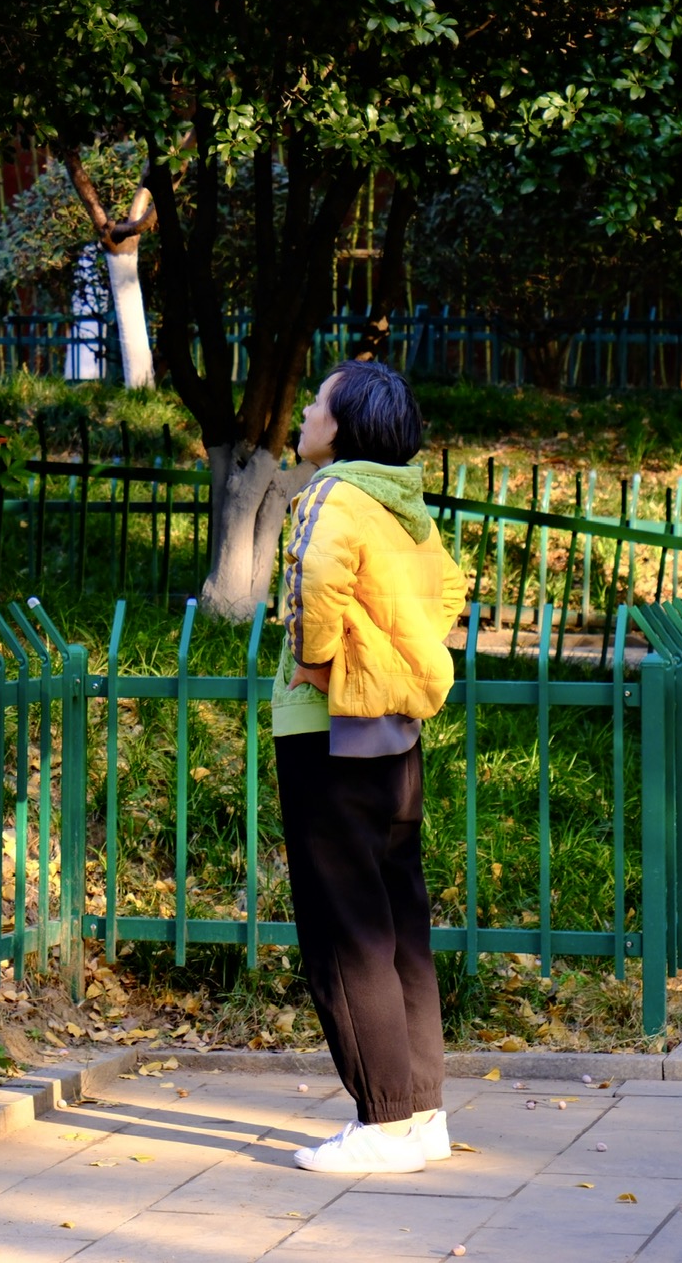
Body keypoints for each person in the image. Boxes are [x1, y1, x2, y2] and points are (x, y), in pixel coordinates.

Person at [271, 357, 467, 1176]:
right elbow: (451, 592)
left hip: (329, 736)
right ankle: (421, 1115)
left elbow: (314, 578)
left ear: (344, 426)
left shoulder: (333, 494)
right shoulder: (407, 507)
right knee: (399, 928)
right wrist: (394, 660)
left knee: (344, 933)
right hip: (395, 739)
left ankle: (383, 1127)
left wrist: (320, 662)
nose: (305, 414)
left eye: (317, 402)